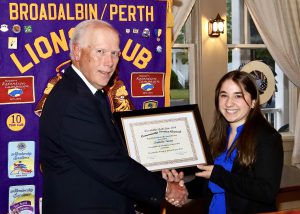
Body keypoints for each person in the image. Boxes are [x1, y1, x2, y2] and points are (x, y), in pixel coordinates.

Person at [39, 19, 187, 214]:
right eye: (100, 52)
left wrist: (158, 172)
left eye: (115, 53)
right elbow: (111, 165)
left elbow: (111, 152)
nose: (109, 62)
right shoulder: (75, 101)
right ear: (76, 52)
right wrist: (166, 189)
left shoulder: (87, 92)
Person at [162, 70, 283, 213]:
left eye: (238, 96)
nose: (229, 103)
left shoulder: (268, 138)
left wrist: (219, 175)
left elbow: (266, 192)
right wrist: (180, 187)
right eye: (224, 95)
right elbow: (207, 181)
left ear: (253, 102)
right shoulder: (219, 135)